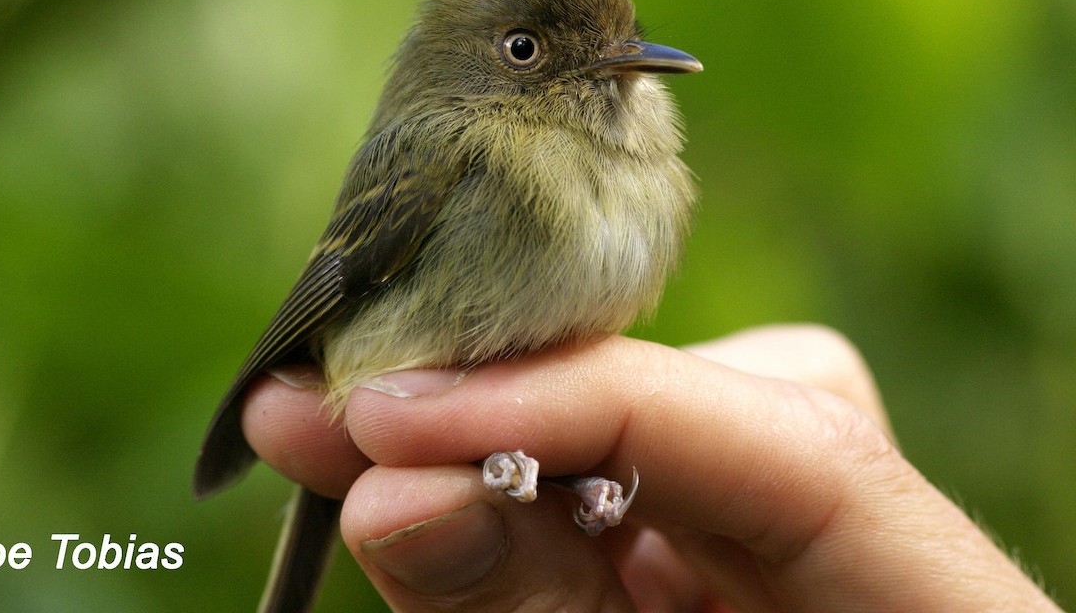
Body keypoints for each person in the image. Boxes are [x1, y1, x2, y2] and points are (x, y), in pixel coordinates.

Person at [240, 325, 1061, 612]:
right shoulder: (461, 143)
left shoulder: (642, 162)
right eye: (529, 51)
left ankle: (568, 486)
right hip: (383, 399)